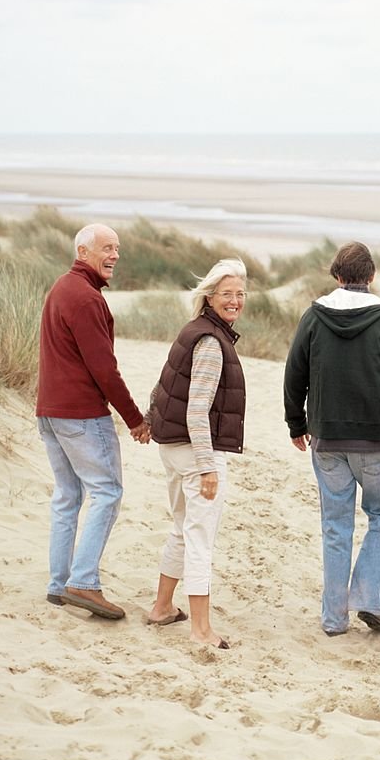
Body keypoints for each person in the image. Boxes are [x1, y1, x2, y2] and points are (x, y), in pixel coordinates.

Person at [284, 241, 380, 636]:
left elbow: (294, 373)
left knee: (336, 527)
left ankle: (334, 619)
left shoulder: (314, 317)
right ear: (371, 278)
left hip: (327, 441)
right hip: (373, 442)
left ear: (336, 276)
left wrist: (295, 424)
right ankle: (368, 596)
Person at [37, 223, 150, 620]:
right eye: (107, 248)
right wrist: (135, 419)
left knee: (68, 497)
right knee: (107, 492)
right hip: (81, 415)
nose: (115, 255)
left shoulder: (62, 288)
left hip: (50, 411)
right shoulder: (85, 298)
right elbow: (104, 369)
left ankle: (58, 585)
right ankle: (83, 582)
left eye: (117, 248)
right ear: (82, 252)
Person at [146, 259, 248, 650]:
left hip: (172, 448)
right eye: (227, 294)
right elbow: (196, 409)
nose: (235, 301)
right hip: (195, 453)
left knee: (181, 529)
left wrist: (147, 418)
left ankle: (161, 607)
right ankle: (201, 631)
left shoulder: (194, 330)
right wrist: (207, 467)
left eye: (240, 294)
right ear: (209, 296)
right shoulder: (210, 342)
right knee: (200, 538)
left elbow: (164, 383)